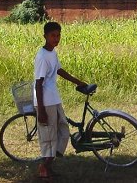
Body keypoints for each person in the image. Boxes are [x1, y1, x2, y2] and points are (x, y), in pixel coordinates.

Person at [34, 21, 86, 180]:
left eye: (58, 35)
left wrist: (78, 81)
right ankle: (44, 166)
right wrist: (41, 111)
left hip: (54, 98)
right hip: (45, 102)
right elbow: (38, 84)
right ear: (45, 36)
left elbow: (59, 70)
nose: (56, 38)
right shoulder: (42, 56)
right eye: (52, 35)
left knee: (63, 130)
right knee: (49, 136)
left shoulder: (52, 53)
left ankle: (49, 163)